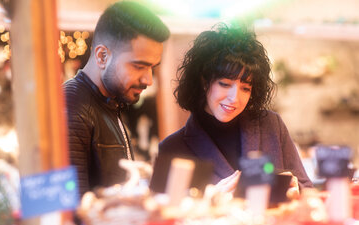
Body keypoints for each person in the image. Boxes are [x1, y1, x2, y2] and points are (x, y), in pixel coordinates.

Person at [150, 23, 312, 194]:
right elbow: (163, 213)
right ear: (204, 82)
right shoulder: (172, 148)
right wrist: (209, 200)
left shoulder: (271, 125)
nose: (234, 98)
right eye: (225, 84)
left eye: (245, 88)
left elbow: (308, 190)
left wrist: (297, 191)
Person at [63, 1, 170, 195]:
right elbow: (71, 210)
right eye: (139, 66)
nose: (148, 80)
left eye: (152, 67)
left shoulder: (109, 102)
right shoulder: (72, 105)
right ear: (102, 56)